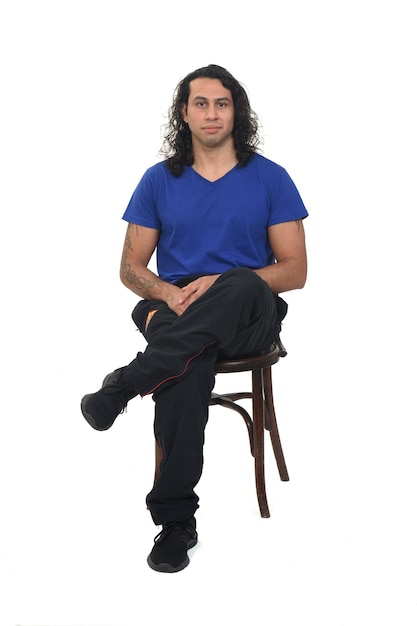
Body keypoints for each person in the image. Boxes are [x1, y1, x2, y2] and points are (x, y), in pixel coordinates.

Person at [81, 64, 308, 573]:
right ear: (183, 113)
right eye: (200, 103)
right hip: (175, 308)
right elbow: (130, 267)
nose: (211, 113)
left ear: (236, 112)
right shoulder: (158, 180)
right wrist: (167, 290)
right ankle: (176, 522)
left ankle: (125, 383)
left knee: (242, 281)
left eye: (221, 103)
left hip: (249, 310)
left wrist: (223, 283)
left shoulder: (270, 178)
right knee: (186, 365)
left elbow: (294, 270)